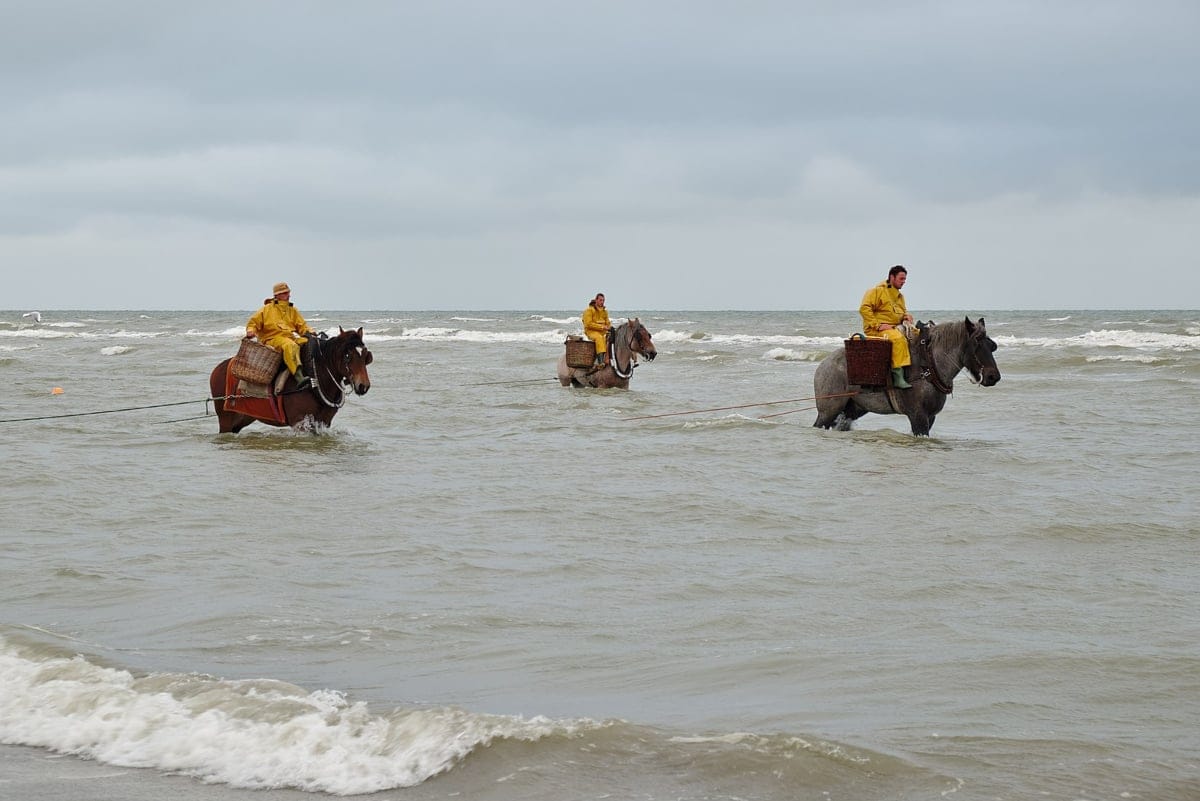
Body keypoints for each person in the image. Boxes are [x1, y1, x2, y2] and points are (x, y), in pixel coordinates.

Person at [244, 282, 321, 387]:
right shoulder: (266, 309)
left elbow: (302, 326)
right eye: (284, 293)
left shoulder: (292, 310)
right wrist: (250, 330)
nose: (288, 295)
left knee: (308, 342)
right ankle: (298, 376)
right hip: (271, 339)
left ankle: (311, 370)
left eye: (288, 293)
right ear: (276, 295)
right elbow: (253, 323)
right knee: (290, 345)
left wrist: (310, 332)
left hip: (289, 338)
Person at [859, 265, 915, 388]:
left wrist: (906, 316)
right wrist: (877, 325)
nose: (904, 282)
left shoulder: (900, 296)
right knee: (898, 339)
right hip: (876, 330)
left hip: (893, 327)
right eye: (901, 279)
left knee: (918, 334)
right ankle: (898, 377)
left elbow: (901, 311)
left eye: (905, 279)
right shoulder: (877, 291)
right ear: (892, 277)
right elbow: (864, 308)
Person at [582, 292, 612, 368]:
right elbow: (588, 324)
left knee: (611, 337)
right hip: (590, 331)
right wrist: (602, 327)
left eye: (603, 300)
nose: (602, 302)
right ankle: (600, 362)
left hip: (602, 332)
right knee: (599, 338)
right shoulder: (589, 310)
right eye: (600, 300)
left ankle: (610, 359)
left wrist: (609, 327)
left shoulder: (605, 311)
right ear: (596, 300)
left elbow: (608, 322)